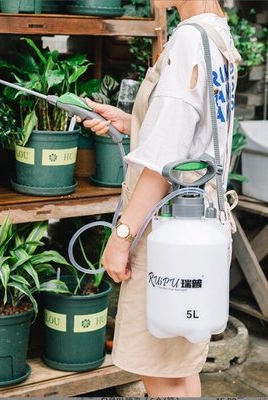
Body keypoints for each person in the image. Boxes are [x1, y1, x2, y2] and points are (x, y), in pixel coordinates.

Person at [79, 0, 241, 396]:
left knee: (159, 372)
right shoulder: (217, 35)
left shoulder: (187, 39)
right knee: (179, 368)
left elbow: (164, 164)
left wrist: (121, 237)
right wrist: (132, 120)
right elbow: (191, 133)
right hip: (202, 226)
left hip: (168, 229)